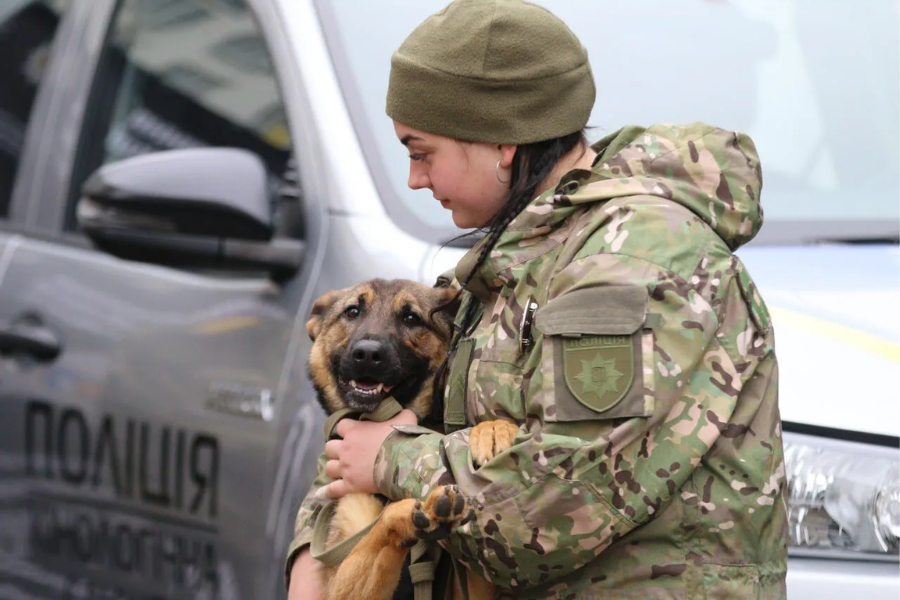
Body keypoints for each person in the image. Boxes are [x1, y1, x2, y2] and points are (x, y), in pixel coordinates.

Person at [286, 1, 788, 598]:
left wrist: (392, 460)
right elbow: (389, 425)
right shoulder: (515, 262)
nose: (414, 179)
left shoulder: (633, 263)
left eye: (422, 152)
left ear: (501, 141)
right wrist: (315, 553)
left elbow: (561, 506)